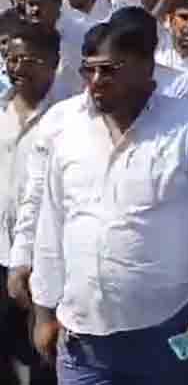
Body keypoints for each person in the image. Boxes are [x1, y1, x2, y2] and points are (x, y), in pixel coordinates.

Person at [30, 15, 188, 384]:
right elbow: (52, 226)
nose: (96, 83)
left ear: (147, 68)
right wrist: (44, 313)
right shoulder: (66, 130)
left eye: (110, 70)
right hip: (82, 338)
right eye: (89, 71)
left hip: (170, 328)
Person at [0, 24, 66, 385]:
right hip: (1, 251)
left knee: (47, 347)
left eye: (28, 59)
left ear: (54, 62)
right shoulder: (1, 108)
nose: (17, 67)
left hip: (46, 257)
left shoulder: (69, 115)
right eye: (11, 58)